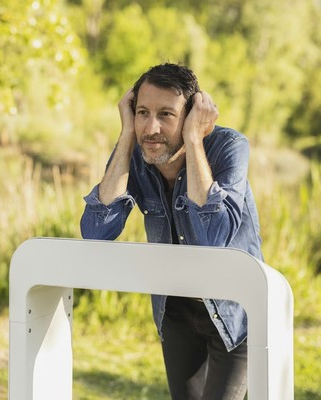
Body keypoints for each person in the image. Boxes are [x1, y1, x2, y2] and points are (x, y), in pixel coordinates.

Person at [80, 63, 263, 400]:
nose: (151, 128)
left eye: (166, 114)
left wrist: (194, 141)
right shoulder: (136, 152)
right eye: (142, 113)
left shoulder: (229, 147)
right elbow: (96, 232)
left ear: (193, 115)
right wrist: (125, 136)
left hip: (234, 309)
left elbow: (214, 239)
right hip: (176, 310)